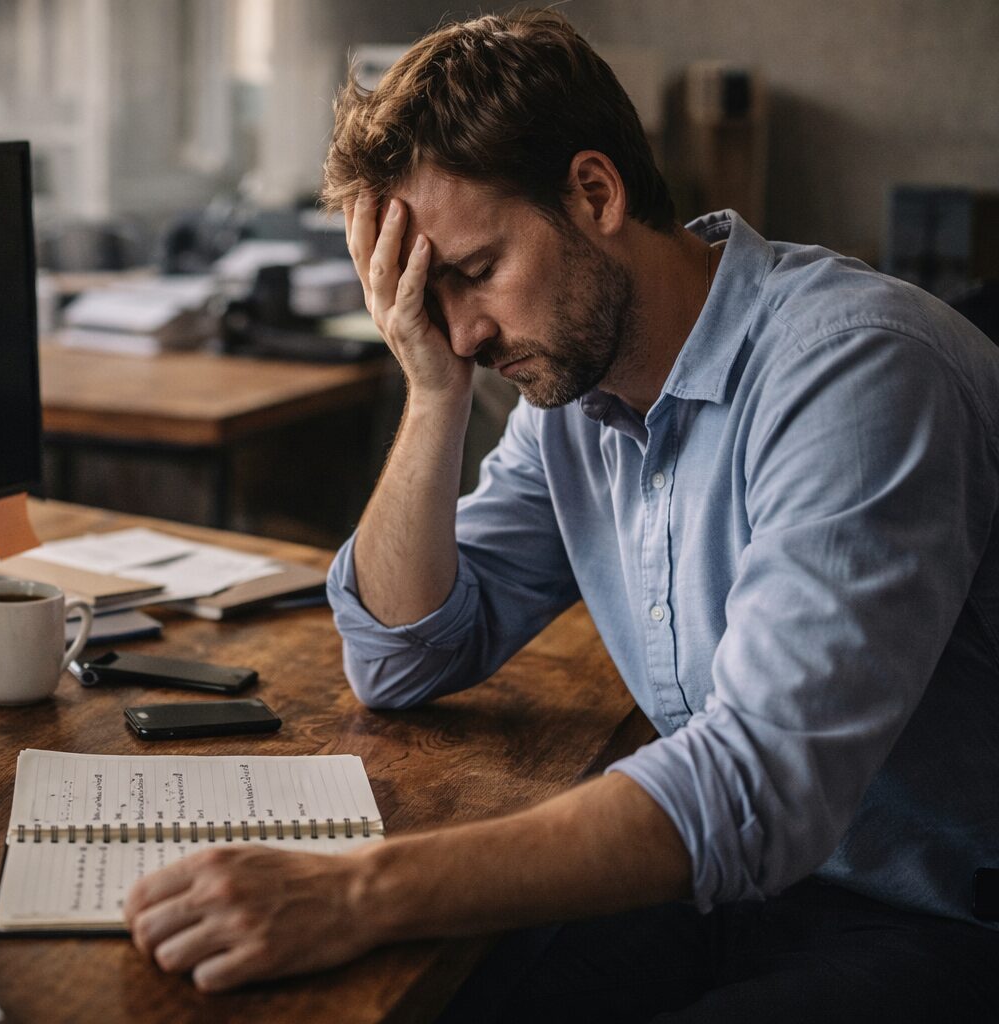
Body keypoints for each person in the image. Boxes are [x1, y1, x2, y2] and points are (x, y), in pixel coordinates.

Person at [123, 10, 999, 1018]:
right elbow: (401, 657)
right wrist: (433, 389)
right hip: (735, 887)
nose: (464, 330)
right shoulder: (577, 398)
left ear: (595, 193)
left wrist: (357, 890)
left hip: (937, 919)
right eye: (430, 295)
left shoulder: (857, 371)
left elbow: (759, 786)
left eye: (476, 271)